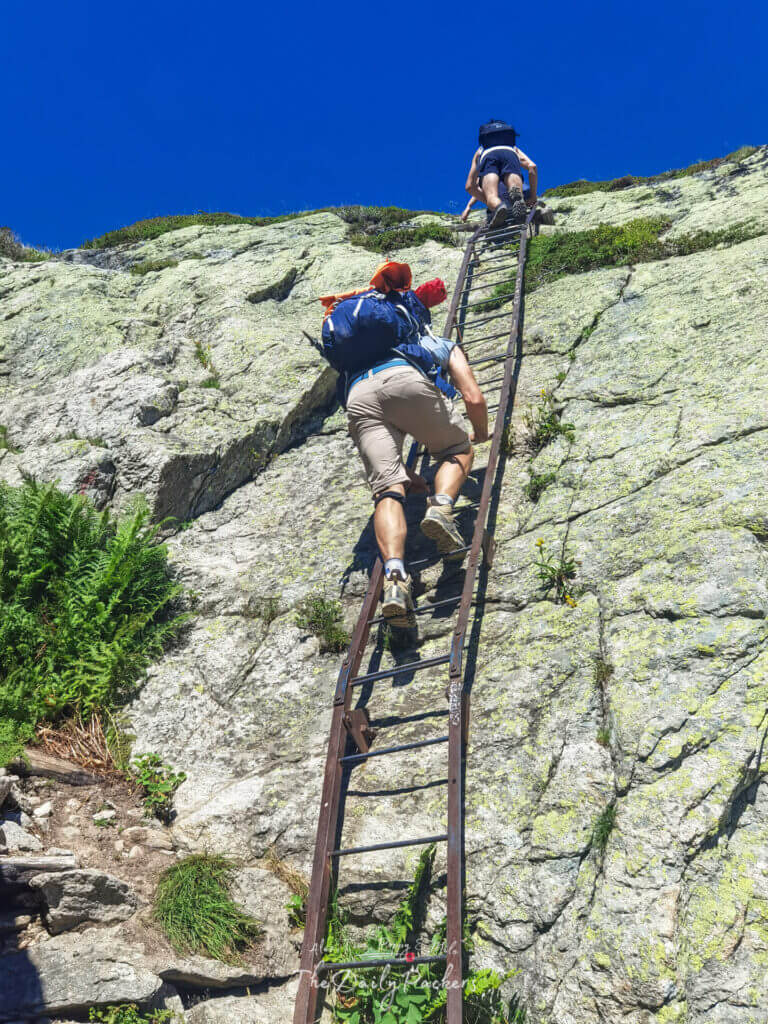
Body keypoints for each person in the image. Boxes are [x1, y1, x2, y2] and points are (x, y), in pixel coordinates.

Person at [344, 306, 489, 626]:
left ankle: (395, 579)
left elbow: (381, 454)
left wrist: (405, 477)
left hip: (358, 396)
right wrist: (478, 436)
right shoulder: (431, 342)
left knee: (387, 492)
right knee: (456, 450)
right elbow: (473, 398)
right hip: (404, 379)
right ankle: (440, 507)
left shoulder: (351, 366)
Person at [464, 119, 538, 230]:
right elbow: (532, 166)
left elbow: (470, 186)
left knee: (492, 196)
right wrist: (533, 196)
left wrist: (470, 206)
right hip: (510, 154)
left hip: (488, 156)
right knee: (514, 189)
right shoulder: (513, 148)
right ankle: (516, 198)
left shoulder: (480, 151)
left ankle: (498, 206)